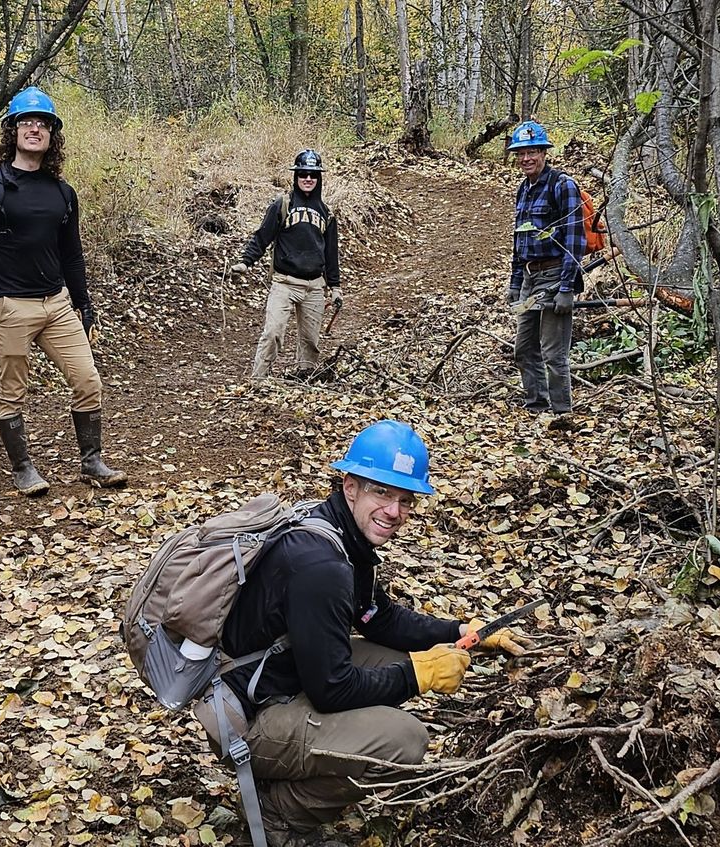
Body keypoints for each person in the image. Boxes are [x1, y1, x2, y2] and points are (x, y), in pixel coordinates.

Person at [213, 420, 528, 847]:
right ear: (350, 486)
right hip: (244, 719)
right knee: (405, 741)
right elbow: (331, 689)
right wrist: (419, 675)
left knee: (387, 659)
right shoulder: (321, 566)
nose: (394, 512)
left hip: (271, 681)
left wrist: (460, 630)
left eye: (405, 499)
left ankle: (302, 770)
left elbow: (376, 618)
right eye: (382, 492)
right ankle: (279, 816)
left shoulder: (340, 533)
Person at [0, 86, 126, 496]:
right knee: (12, 393)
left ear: (52, 135)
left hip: (56, 304)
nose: (34, 129)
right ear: (13, 131)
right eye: (27, 122)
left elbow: (72, 254)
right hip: (8, 305)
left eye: (43, 123)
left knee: (87, 379)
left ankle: (92, 461)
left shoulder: (62, 192)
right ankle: (22, 468)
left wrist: (84, 305)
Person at [231, 149, 342, 381]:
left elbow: (331, 253)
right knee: (272, 333)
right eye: (303, 174)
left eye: (313, 174)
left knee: (310, 342)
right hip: (284, 283)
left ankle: (304, 381)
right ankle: (258, 382)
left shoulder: (327, 213)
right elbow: (262, 237)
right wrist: (245, 262)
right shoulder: (282, 205)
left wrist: (335, 286)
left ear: (319, 178)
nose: (308, 179)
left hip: (314, 287)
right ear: (296, 176)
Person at [507, 120, 586, 415]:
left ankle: (562, 413)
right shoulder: (523, 190)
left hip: (555, 276)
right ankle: (536, 406)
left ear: (544, 152)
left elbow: (575, 240)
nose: (527, 158)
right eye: (521, 153)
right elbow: (520, 240)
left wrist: (567, 288)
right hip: (530, 277)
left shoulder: (562, 185)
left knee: (554, 353)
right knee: (525, 348)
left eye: (533, 152)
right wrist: (515, 282)